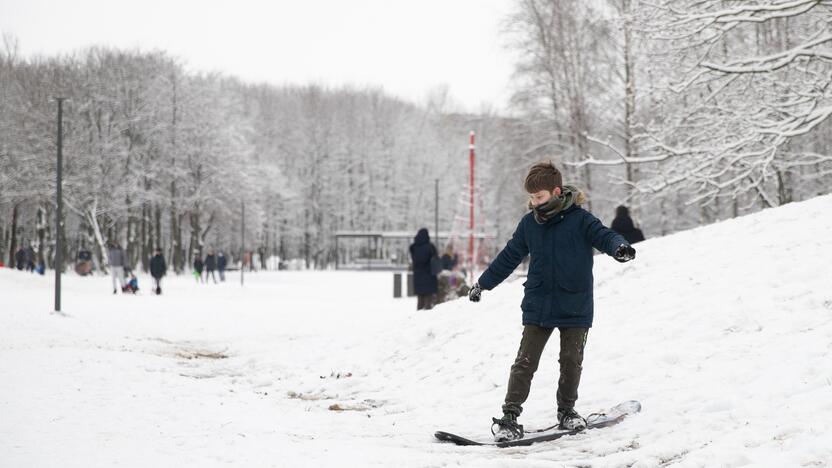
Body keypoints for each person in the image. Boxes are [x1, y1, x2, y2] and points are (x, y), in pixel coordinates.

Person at [467, 161, 636, 442]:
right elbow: (509, 257)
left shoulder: (581, 220)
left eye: (539, 197)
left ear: (556, 192)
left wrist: (618, 247)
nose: (534, 203)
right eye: (531, 198)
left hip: (575, 303)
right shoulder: (528, 224)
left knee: (571, 361)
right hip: (539, 302)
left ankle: (567, 412)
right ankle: (509, 417)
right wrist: (483, 284)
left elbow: (604, 235)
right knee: (524, 362)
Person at [409, 228, 439, 310]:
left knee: (420, 300)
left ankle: (418, 318)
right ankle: (427, 319)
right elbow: (436, 260)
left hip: (418, 278)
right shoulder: (430, 247)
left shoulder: (414, 248)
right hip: (429, 277)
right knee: (428, 301)